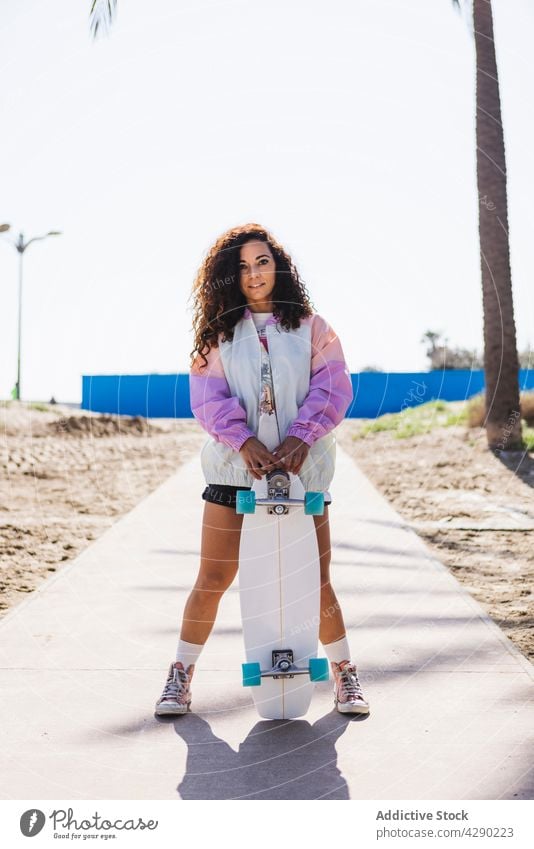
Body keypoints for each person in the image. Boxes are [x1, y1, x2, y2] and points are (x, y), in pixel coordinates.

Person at [155, 223, 369, 717]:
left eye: (263, 262)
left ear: (280, 267)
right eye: (243, 266)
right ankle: (180, 676)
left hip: (304, 474)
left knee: (316, 581)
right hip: (234, 474)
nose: (254, 274)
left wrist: (301, 437)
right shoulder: (218, 335)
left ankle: (344, 674)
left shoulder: (314, 328)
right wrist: (244, 441)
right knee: (212, 576)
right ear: (231, 275)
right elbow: (208, 400)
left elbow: (332, 389)